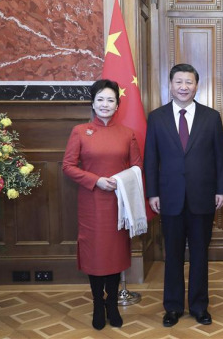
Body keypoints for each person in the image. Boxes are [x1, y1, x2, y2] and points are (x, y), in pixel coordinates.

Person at [144, 63, 223, 327]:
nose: (183, 87)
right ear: (170, 85)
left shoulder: (211, 117)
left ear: (196, 85)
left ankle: (199, 306)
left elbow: (221, 158)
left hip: (202, 196)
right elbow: (150, 159)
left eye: (189, 82)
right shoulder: (157, 117)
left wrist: (221, 190)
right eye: (178, 82)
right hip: (168, 197)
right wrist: (152, 193)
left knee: (200, 255)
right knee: (173, 255)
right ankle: (172, 307)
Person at [63, 79, 142, 330]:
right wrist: (96, 181)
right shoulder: (80, 131)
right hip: (92, 204)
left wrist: (119, 180)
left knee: (115, 255)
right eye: (100, 99)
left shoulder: (127, 133)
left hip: (120, 205)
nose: (105, 104)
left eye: (110, 100)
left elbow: (137, 167)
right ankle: (98, 303)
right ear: (93, 103)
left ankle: (113, 305)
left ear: (117, 104)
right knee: (96, 256)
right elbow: (68, 166)